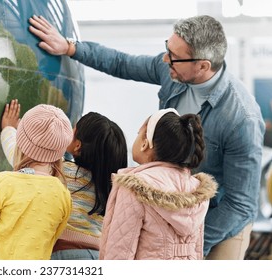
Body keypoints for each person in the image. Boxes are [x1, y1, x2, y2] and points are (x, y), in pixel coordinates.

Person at [28, 14, 265, 259]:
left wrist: (191, 242)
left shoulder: (241, 119)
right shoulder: (173, 70)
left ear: (203, 65)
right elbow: (121, 62)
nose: (165, 59)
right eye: (167, 48)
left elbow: (239, 204)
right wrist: (70, 47)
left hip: (218, 219)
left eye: (173, 56)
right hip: (164, 206)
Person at [1, 99, 128, 259]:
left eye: (72, 131)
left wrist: (9, 129)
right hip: (96, 256)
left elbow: (19, 158)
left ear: (77, 146)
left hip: (63, 252)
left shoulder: (62, 171)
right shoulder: (112, 186)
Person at [100, 108, 218, 259]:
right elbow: (196, 252)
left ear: (145, 143)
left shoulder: (134, 186)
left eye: (138, 134)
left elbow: (119, 253)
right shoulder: (197, 189)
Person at [0, 103, 73, 260]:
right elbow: (53, 239)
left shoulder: (3, 182)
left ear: (20, 143)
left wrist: (8, 129)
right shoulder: (63, 194)